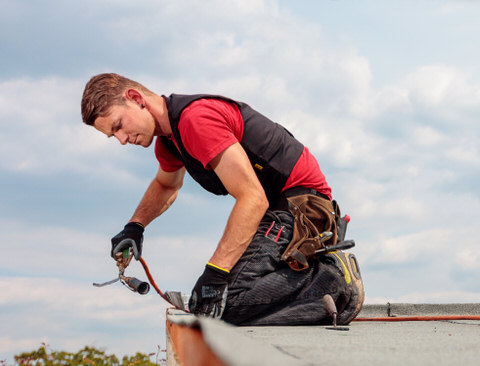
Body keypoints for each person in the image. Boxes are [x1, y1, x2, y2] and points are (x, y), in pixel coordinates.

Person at [80, 73, 363, 325]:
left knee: (226, 303)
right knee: (212, 303)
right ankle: (318, 280)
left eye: (118, 125)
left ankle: (333, 281)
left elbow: (252, 198)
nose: (121, 139)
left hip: (301, 207)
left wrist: (216, 272)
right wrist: (135, 227)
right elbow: (166, 185)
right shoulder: (170, 140)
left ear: (135, 98)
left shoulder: (195, 119)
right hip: (279, 210)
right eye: (112, 136)